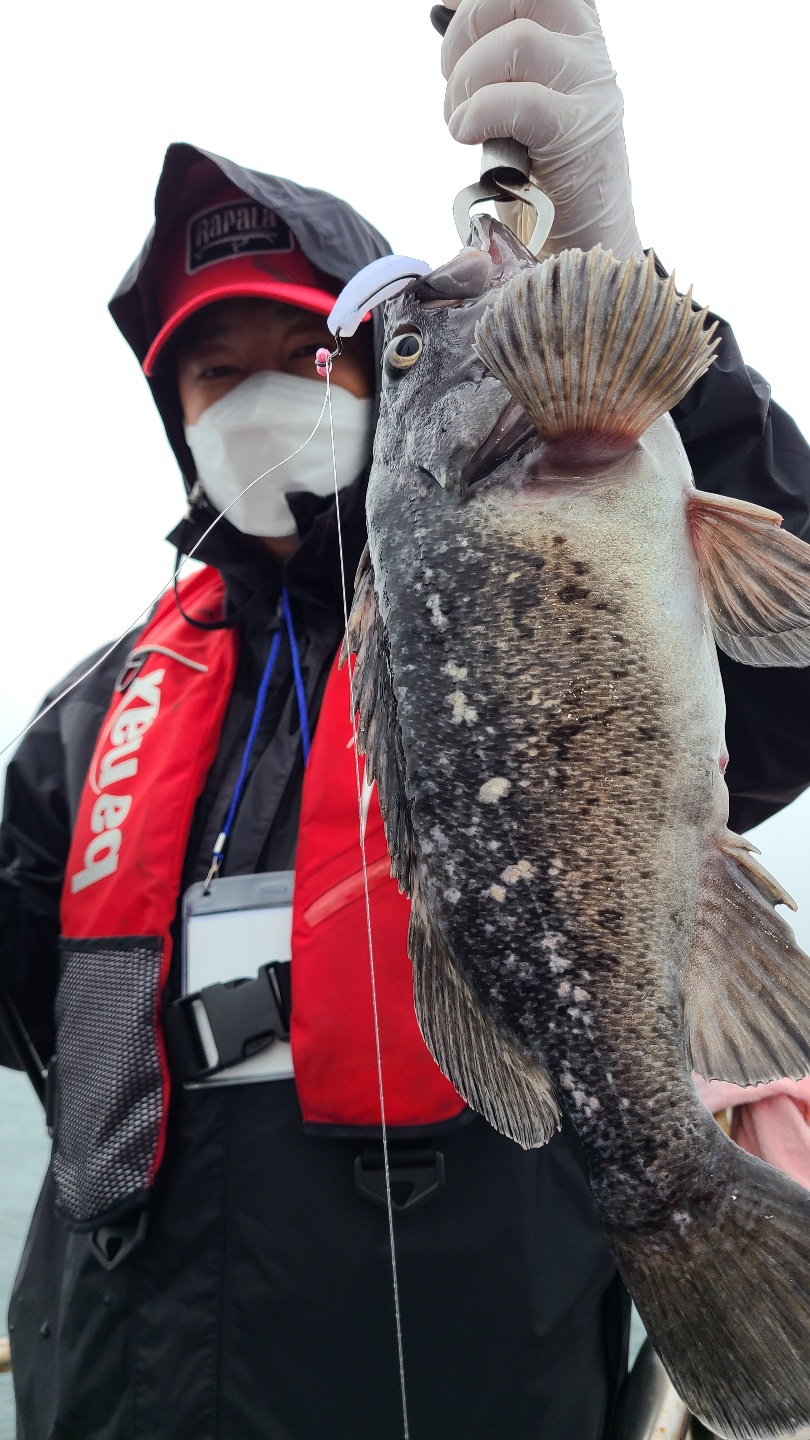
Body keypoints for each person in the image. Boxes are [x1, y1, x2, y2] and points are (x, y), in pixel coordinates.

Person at [2, 4, 810, 1438]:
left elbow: (788, 666)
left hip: (471, 1378)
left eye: (302, 351)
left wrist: (630, 312)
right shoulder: (88, 726)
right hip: (117, 1388)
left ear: (377, 373)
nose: (261, 392)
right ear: (176, 415)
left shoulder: (557, 496)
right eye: (216, 370)